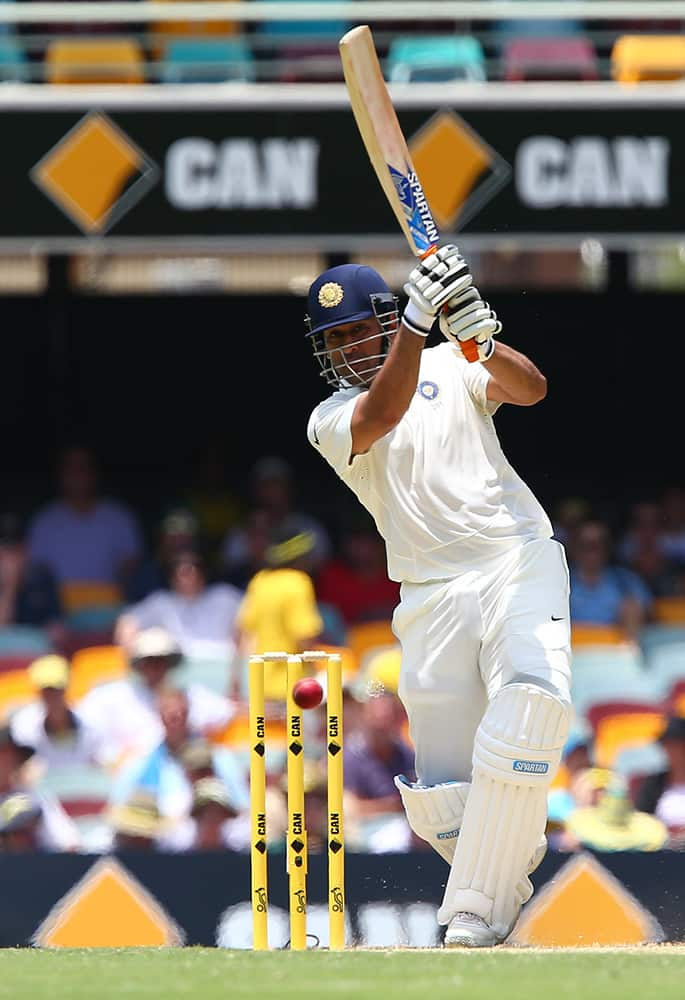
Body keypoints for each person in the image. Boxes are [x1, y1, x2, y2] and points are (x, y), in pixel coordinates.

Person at [304, 247, 573, 946]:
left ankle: (469, 913)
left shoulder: (450, 362)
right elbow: (383, 413)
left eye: (357, 330)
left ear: (382, 320)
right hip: (428, 596)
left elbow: (531, 388)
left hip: (513, 556)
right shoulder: (330, 418)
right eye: (333, 339)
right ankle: (499, 870)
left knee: (532, 702)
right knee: (448, 805)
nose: (346, 347)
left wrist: (480, 340)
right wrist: (418, 328)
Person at [76, 626, 236, 768]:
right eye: (148, 661)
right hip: (130, 773)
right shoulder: (113, 695)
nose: (154, 667)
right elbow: (81, 721)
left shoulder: (191, 695)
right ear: (138, 664)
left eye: (160, 660)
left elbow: (231, 711)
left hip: (181, 768)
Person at [26, 446, 143, 616]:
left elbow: (132, 566)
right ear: (61, 475)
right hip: (58, 610)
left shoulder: (119, 517)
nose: (77, 475)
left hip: (109, 606)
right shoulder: (44, 521)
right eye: (70, 468)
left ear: (94, 474)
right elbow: (35, 572)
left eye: (83, 467)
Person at [232, 523, 324, 702]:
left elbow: (241, 635)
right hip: (295, 687)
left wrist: (235, 682)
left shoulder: (259, 581)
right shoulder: (298, 582)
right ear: (300, 556)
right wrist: (318, 674)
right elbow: (304, 637)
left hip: (259, 687)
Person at [115, 546, 243, 661]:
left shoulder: (225, 596)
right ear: (172, 577)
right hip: (178, 670)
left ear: (203, 573)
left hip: (222, 667)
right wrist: (132, 650)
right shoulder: (161, 602)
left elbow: (251, 625)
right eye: (181, 571)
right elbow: (127, 623)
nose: (187, 576)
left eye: (192, 569)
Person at [344, 690, 415, 853]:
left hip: (404, 827)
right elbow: (350, 808)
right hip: (364, 829)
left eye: (388, 720)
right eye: (377, 722)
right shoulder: (352, 755)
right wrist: (390, 806)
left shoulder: (406, 754)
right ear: (365, 719)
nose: (382, 728)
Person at [9, 655, 104, 769]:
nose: (52, 696)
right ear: (37, 691)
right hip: (40, 786)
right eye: (45, 690)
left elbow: (103, 762)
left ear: (67, 688)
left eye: (57, 688)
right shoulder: (23, 724)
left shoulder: (90, 720)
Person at [568, 519, 652, 640]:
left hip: (617, 652)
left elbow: (650, 615)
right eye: (585, 545)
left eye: (597, 544)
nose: (591, 551)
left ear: (607, 548)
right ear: (574, 547)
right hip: (571, 650)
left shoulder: (625, 580)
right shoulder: (560, 582)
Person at [634, 715, 685, 848]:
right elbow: (641, 819)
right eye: (667, 745)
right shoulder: (653, 783)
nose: (670, 750)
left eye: (675, 745)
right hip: (661, 852)